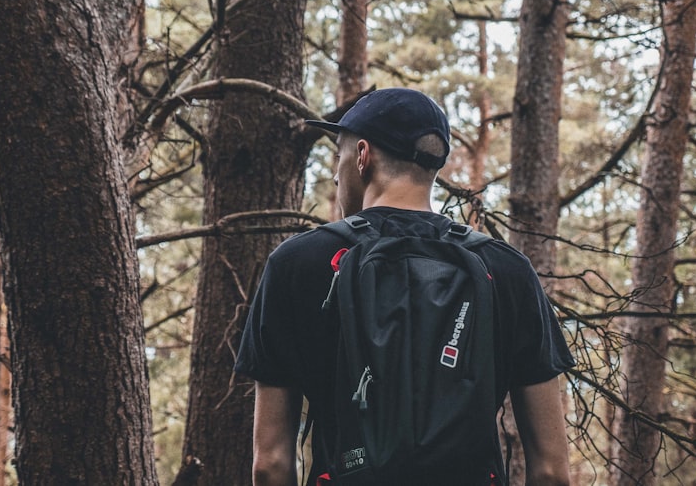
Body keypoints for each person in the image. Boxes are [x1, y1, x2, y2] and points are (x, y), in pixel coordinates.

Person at [235, 88, 575, 486]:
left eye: (339, 157)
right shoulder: (506, 269)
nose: (335, 173)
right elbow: (551, 470)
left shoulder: (297, 263)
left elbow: (271, 464)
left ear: (362, 156)